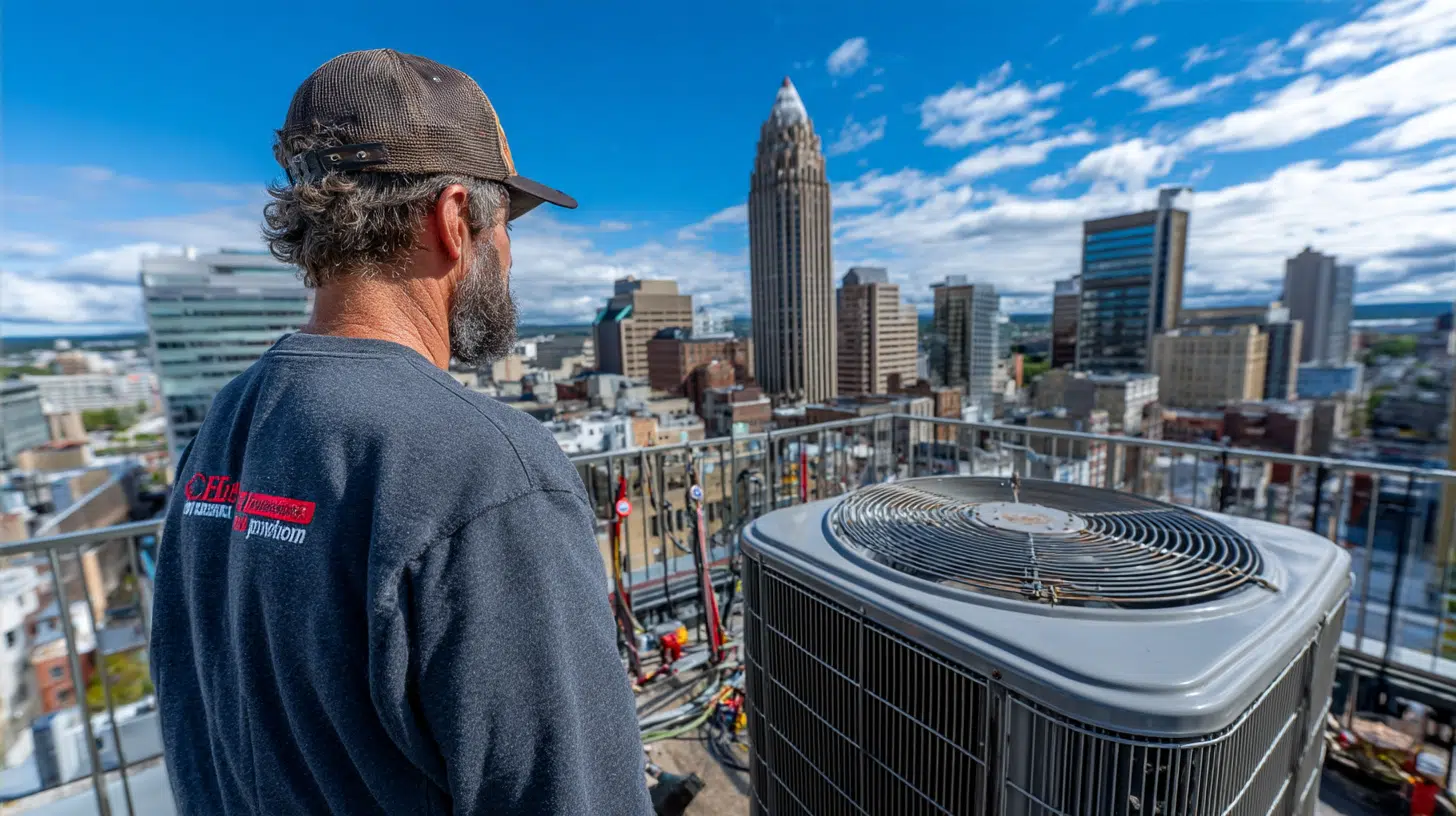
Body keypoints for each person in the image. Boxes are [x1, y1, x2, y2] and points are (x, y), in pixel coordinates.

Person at [151, 49, 652, 815]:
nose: (510, 253)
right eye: (505, 224)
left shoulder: (228, 420)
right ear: (455, 219)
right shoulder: (488, 471)